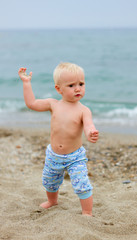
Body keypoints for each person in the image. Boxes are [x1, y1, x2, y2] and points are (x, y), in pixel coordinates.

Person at [18, 62, 99, 216]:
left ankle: (87, 212)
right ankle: (52, 201)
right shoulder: (53, 104)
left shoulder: (83, 110)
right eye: (71, 85)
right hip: (54, 155)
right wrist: (26, 83)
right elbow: (32, 104)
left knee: (82, 184)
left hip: (75, 156)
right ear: (58, 89)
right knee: (50, 181)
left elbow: (88, 126)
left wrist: (91, 133)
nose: (77, 88)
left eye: (81, 84)